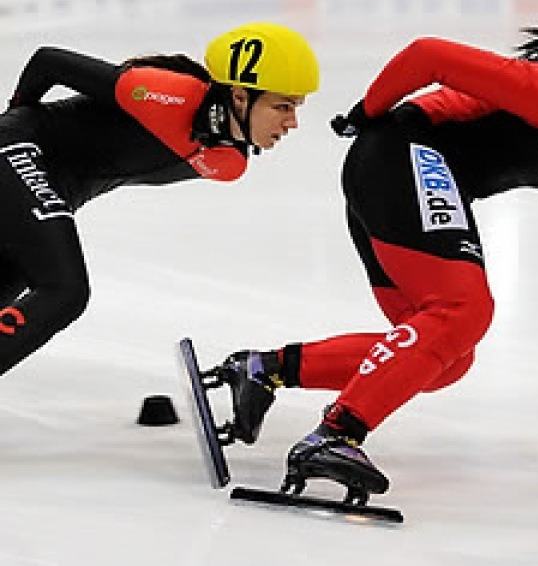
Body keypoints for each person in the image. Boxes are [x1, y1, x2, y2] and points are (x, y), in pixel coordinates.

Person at [211, 0, 538, 497]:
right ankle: (336, 435)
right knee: (464, 309)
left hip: (410, 175)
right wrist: (366, 114)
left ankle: (264, 369)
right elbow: (428, 56)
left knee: (445, 360)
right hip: (400, 155)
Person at [0, 23, 319, 377]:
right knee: (64, 290)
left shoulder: (228, 162)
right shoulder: (172, 95)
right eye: (283, 106)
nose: (292, 123)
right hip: (19, 153)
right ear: (241, 96)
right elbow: (48, 62)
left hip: (45, 190)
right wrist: (14, 128)